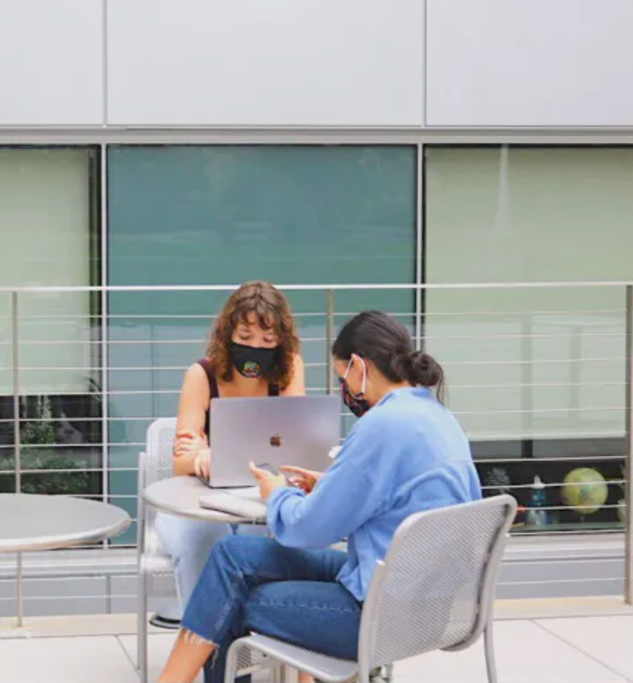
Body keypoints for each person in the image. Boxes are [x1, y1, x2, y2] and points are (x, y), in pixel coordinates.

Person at [157, 310, 481, 683]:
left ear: (358, 366)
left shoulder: (380, 426)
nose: (345, 388)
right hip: (422, 605)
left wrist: (276, 494)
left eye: (342, 377)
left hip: (376, 614)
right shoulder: (437, 416)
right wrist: (328, 484)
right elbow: (391, 494)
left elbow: (306, 530)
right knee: (231, 556)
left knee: (225, 595)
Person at [154, 281, 305, 624]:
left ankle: (249, 641)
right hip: (194, 505)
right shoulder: (201, 375)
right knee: (204, 537)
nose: (256, 348)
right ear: (227, 334)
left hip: (257, 500)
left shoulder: (289, 370)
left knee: (263, 535)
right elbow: (180, 463)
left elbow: (293, 443)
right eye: (246, 337)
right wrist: (200, 458)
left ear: (281, 341)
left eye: (268, 341)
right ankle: (209, 645)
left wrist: (215, 449)